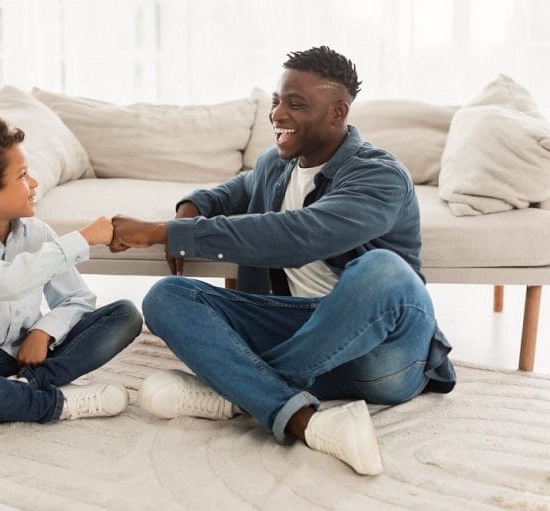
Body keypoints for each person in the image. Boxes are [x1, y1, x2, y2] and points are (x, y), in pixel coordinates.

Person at [109, 46, 456, 475]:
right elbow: (232, 192)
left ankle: (236, 391)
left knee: (381, 270)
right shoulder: (276, 163)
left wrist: (166, 233)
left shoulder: (378, 174)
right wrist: (190, 210)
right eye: (276, 101)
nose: (278, 114)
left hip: (381, 356)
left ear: (337, 112)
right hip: (294, 328)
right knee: (166, 296)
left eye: (296, 104)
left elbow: (300, 234)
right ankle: (295, 413)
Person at [0, 117, 142, 426]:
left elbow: (77, 299)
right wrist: (84, 238)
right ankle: (56, 403)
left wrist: (43, 331)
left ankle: (13, 393)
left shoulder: (38, 233)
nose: (34, 183)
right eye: (23, 175)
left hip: (31, 357)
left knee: (125, 314)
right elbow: (8, 282)